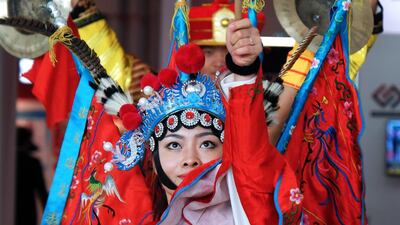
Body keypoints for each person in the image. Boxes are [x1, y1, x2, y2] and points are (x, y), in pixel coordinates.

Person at [15, 127, 48, 225]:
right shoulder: (33, 163)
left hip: (7, 209)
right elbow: (42, 192)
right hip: (27, 210)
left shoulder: (6, 163)